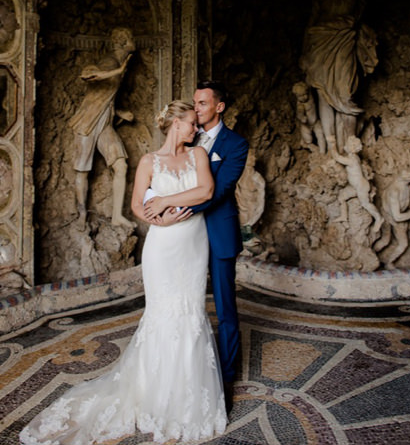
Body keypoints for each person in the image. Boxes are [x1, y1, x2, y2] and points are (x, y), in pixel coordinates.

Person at [20, 101, 226, 444]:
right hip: (162, 246)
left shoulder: (199, 155)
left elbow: (206, 191)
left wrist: (162, 200)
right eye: (191, 123)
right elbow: (135, 205)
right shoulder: (149, 161)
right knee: (162, 313)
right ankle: (155, 395)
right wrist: (155, 214)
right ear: (176, 123)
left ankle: (187, 398)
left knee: (190, 312)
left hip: (193, 244)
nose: (196, 129)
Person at [152, 80, 249, 408]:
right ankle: (182, 371)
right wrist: (159, 207)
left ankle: (226, 376)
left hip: (217, 232)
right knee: (184, 305)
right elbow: (161, 175)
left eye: (203, 103)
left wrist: (177, 207)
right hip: (183, 237)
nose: (197, 109)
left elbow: (218, 190)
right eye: (195, 104)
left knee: (225, 308)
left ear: (219, 106)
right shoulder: (184, 138)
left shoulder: (236, 144)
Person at [299, 0, 377, 156]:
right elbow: (311, 24)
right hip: (319, 42)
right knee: (323, 94)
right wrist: (303, 53)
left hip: (342, 39)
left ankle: (349, 147)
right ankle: (331, 149)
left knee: (344, 95)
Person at [69, 26, 136, 232]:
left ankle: (117, 216)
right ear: (123, 42)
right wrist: (117, 71)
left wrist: (120, 113)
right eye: (131, 38)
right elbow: (87, 74)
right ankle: (81, 214)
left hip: (105, 123)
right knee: (82, 171)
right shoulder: (110, 62)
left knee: (121, 166)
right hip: (87, 123)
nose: (135, 42)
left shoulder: (118, 66)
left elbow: (104, 98)